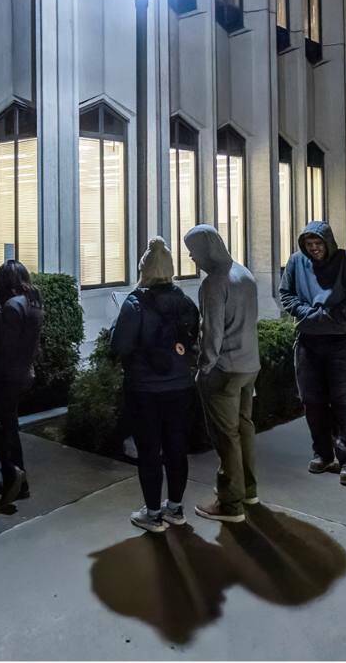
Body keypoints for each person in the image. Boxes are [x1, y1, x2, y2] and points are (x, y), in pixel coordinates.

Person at [110, 238, 199, 532]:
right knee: (176, 448)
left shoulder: (135, 303)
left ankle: (152, 514)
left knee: (150, 451)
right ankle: (175, 508)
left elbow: (120, 345)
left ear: (144, 269)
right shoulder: (185, 301)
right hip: (181, 387)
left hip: (145, 389)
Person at [278, 220, 346, 487]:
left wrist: (335, 315)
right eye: (310, 244)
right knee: (312, 400)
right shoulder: (296, 262)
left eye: (318, 243)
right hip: (308, 339)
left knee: (344, 401)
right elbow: (286, 293)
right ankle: (322, 452)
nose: (315, 248)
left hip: (341, 339)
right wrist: (309, 314)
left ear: (328, 242)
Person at [184, 224, 260, 523]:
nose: (193, 259)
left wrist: (203, 367)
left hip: (224, 369)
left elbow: (211, 333)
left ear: (206, 250)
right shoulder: (244, 274)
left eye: (193, 252)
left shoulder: (214, 284)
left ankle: (230, 503)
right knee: (244, 429)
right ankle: (249, 490)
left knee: (226, 437)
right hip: (249, 365)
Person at [0, 259, 45, 507]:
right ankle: (16, 478)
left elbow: (5, 347)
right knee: (9, 426)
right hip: (24, 373)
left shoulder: (13, 307)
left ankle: (13, 472)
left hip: (6, 376)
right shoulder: (34, 302)